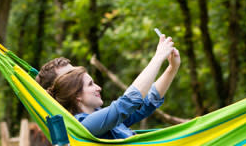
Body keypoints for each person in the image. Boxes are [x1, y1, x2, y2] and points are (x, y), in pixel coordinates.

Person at [44, 34, 180, 139]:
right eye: (91, 84)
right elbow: (127, 103)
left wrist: (172, 68)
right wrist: (158, 57)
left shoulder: (102, 119)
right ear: (75, 94)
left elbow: (146, 104)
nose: (99, 88)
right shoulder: (85, 125)